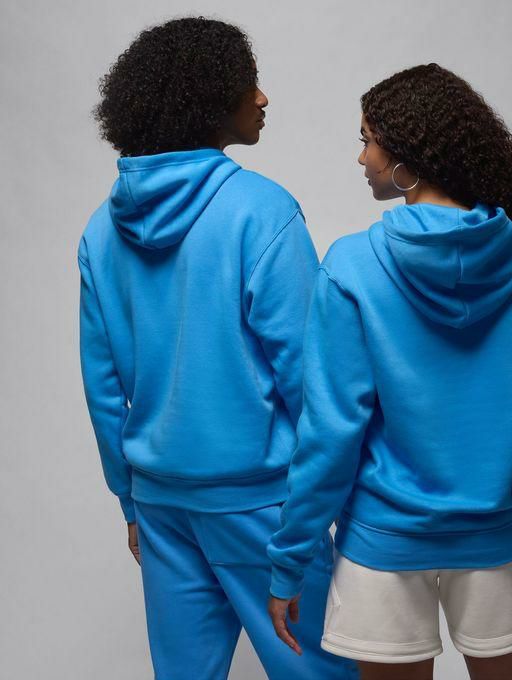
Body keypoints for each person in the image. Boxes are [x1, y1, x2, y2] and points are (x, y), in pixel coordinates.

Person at [267, 63, 512, 680]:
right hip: (493, 543)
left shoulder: (351, 266)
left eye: (367, 140)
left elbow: (330, 433)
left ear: (407, 157)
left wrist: (290, 559)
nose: (361, 157)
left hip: (381, 545)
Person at [78, 16, 358, 680]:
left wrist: (130, 501)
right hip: (262, 505)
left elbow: (102, 386)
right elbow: (311, 377)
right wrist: (335, 502)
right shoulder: (262, 211)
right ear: (207, 99)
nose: (261, 97)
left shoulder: (100, 231)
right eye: (247, 83)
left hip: (161, 506)